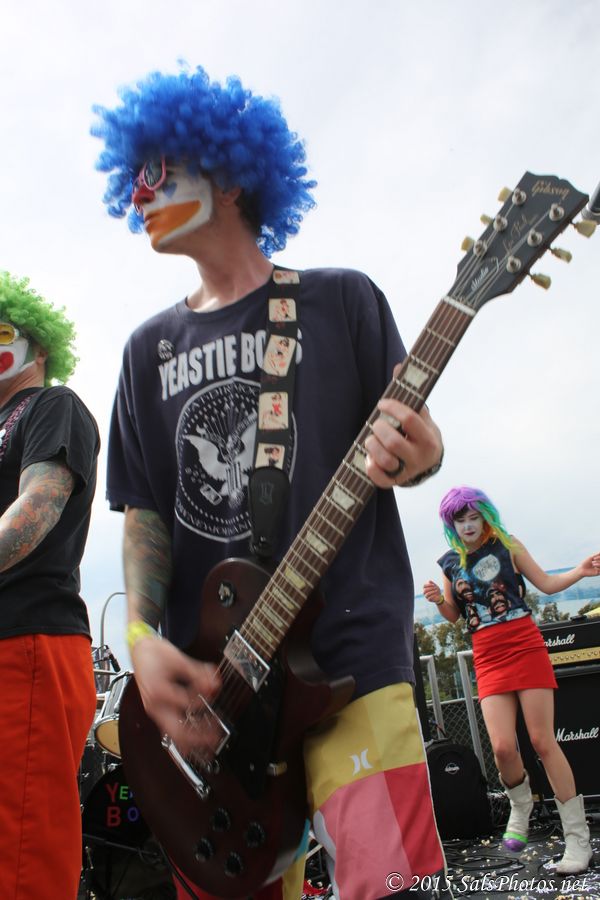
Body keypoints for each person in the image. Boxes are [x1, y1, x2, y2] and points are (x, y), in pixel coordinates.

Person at [92, 65, 447, 900]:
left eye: (159, 171)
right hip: (215, 698)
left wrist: (424, 454)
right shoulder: (145, 352)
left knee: (386, 883)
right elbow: (143, 514)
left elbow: (419, 445)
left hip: (351, 652)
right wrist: (141, 640)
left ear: (230, 173)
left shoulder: (342, 301)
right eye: (131, 177)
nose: (138, 193)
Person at [423, 485, 599, 876]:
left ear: (485, 516)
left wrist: (580, 571)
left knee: (541, 741)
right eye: (460, 520)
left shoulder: (508, 545)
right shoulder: (450, 562)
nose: (468, 525)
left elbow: (546, 584)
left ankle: (577, 839)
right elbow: (454, 614)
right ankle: (520, 805)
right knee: (503, 748)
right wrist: (438, 600)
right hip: (487, 656)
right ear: (451, 524)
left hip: (524, 645)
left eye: (474, 517)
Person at [0, 272, 100, 899]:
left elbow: (37, 507)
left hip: (26, 639)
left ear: (38, 348)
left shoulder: (50, 406)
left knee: (21, 856)